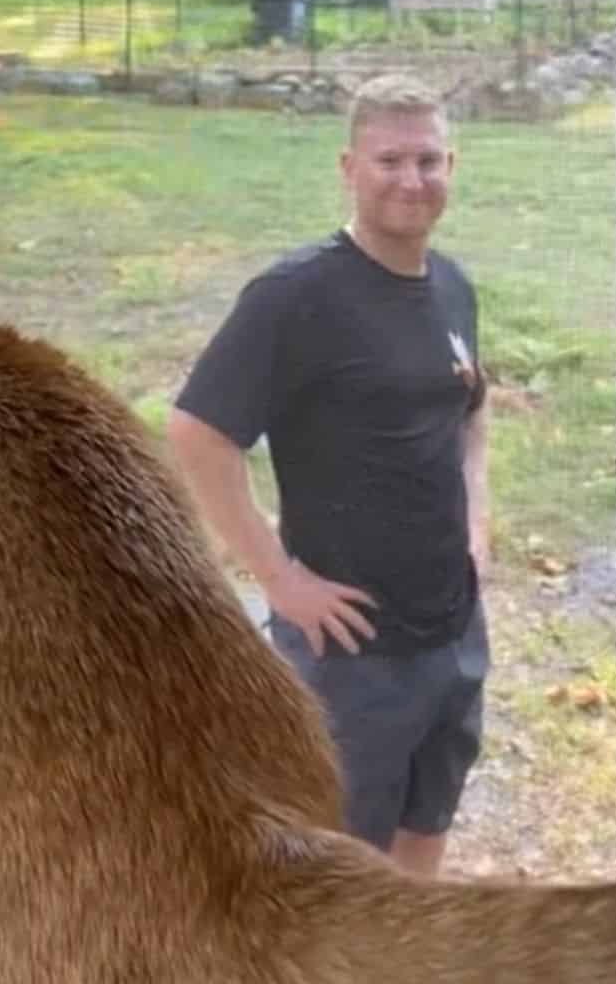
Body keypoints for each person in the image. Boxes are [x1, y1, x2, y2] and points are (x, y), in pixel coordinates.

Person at [167, 74, 490, 876]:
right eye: (389, 161)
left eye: (427, 160)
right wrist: (278, 581)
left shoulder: (451, 286)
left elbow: (472, 414)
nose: (411, 180)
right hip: (350, 651)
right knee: (340, 865)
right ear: (349, 167)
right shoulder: (296, 296)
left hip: (452, 634)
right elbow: (197, 432)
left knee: (427, 821)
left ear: (452, 163)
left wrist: (477, 531)